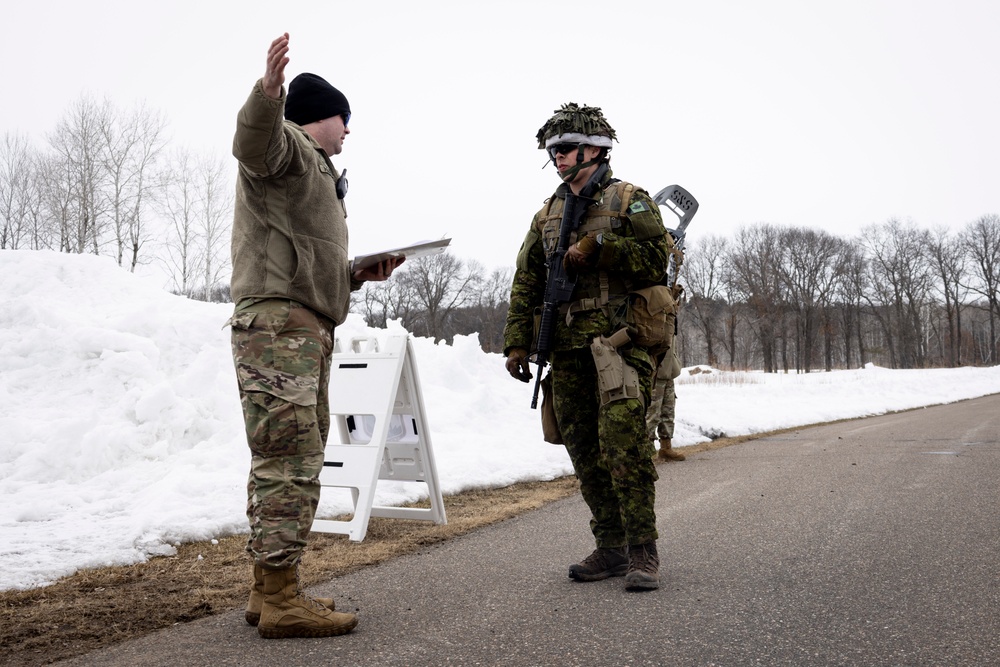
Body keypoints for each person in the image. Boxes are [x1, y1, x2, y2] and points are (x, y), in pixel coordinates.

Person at [227, 33, 402, 639]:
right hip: (280, 330)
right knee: (289, 461)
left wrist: (354, 274)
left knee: (286, 458)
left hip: (300, 327)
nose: (348, 130)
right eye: (342, 118)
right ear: (316, 118)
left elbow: (299, 257)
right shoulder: (291, 148)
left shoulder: (317, 172)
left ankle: (267, 589)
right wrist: (268, 93)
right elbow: (254, 144)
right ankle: (280, 599)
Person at [503, 103, 675, 591]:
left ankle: (644, 550)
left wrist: (602, 248)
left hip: (621, 342)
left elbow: (656, 260)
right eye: (552, 150)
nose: (557, 158)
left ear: (595, 150)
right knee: (582, 448)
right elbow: (526, 279)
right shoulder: (548, 214)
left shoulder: (630, 201)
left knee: (624, 443)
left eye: (565, 148)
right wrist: (516, 342)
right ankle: (612, 546)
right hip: (568, 348)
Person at [647, 349, 685, 461]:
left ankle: (666, 448)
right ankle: (646, 451)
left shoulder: (671, 330)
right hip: (653, 372)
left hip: (668, 371)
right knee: (652, 413)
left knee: (668, 411)